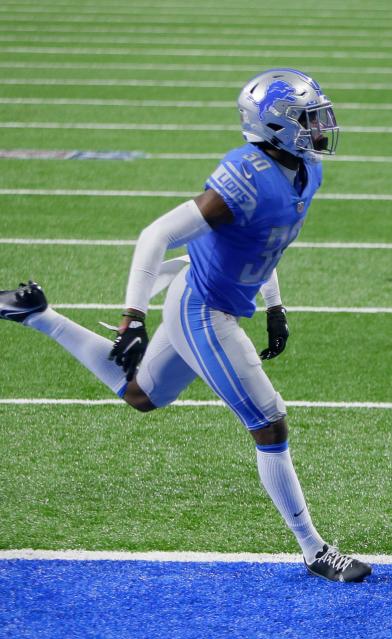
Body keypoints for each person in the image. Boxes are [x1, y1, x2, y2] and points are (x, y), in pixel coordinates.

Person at [0, 69, 372, 582]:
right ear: (275, 126)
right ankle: (313, 549)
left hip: (211, 297)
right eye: (309, 119)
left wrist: (274, 305)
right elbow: (156, 234)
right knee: (269, 422)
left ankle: (36, 314)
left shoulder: (305, 170)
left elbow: (265, 245)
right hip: (203, 307)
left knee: (140, 395)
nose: (320, 127)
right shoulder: (246, 176)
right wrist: (133, 317)